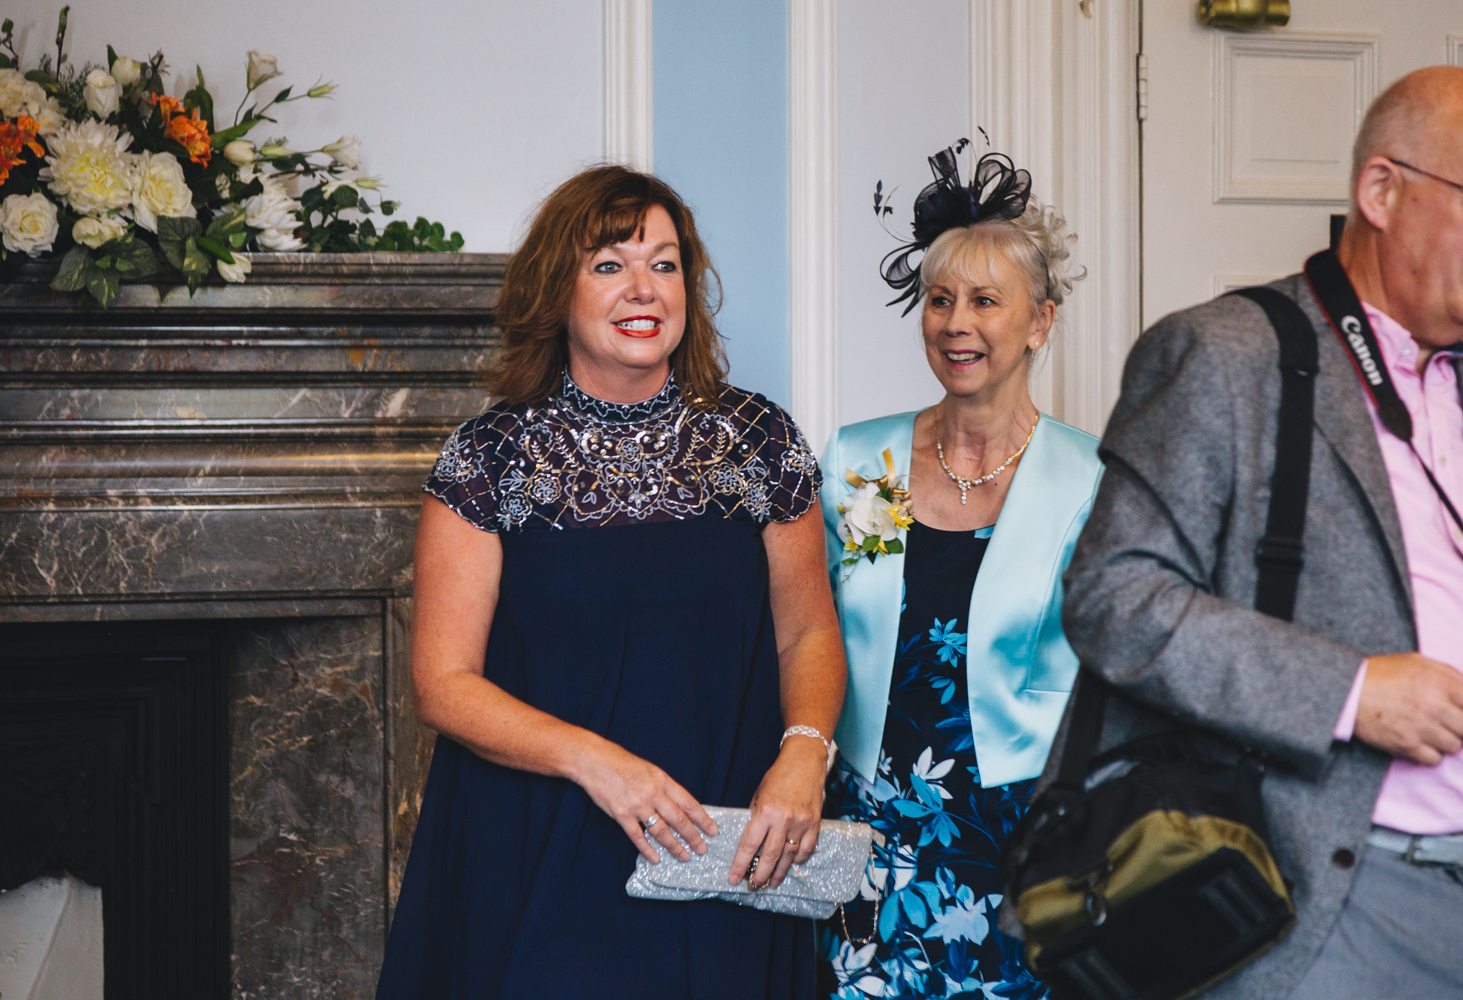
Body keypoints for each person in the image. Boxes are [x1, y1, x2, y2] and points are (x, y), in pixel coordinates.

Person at [374, 165, 846, 1000]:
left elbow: (806, 630)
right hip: (542, 839)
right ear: (557, 288)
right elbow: (442, 685)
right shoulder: (490, 458)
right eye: (610, 264)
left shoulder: (758, 439)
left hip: (725, 842)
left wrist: (804, 757)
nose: (644, 289)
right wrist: (601, 765)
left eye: (664, 265)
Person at [1054, 66, 1463, 998]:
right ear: (1382, 191)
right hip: (1323, 903)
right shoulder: (1227, 354)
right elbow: (1116, 600)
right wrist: (1351, 692)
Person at [816, 142, 1102, 999]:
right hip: (869, 824)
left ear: (1039, 322)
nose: (955, 323)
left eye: (985, 301)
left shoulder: (1089, 482)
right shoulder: (866, 462)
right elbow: (828, 616)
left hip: (1024, 835)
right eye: (939, 300)